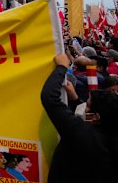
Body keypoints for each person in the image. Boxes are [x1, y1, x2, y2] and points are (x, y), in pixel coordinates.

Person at [41, 51, 118, 182]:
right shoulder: (110, 134)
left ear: (95, 117)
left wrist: (61, 67)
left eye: (87, 105)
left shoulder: (80, 132)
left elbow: (50, 98)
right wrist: (76, 99)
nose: (84, 107)